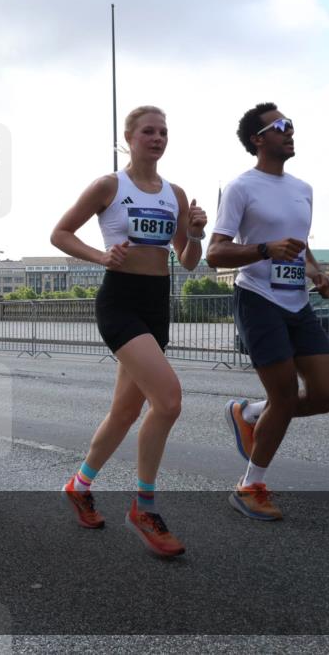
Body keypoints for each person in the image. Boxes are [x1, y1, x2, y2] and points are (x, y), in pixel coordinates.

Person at [50, 106, 206, 557]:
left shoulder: (175, 193)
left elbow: (190, 260)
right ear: (129, 138)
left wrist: (195, 233)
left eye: (163, 132)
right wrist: (101, 258)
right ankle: (145, 506)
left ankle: (79, 485)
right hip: (120, 303)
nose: (157, 138)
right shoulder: (109, 186)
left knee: (123, 413)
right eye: (148, 132)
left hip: (157, 305)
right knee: (169, 400)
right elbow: (59, 233)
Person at [206, 102, 329, 521]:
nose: (290, 131)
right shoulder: (240, 187)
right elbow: (215, 253)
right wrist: (264, 249)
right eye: (280, 126)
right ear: (258, 139)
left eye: (291, 125)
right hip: (258, 299)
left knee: (328, 394)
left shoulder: (303, 188)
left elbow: (300, 241)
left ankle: (248, 413)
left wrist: (315, 270)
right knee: (283, 395)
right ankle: (250, 486)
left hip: (297, 301)